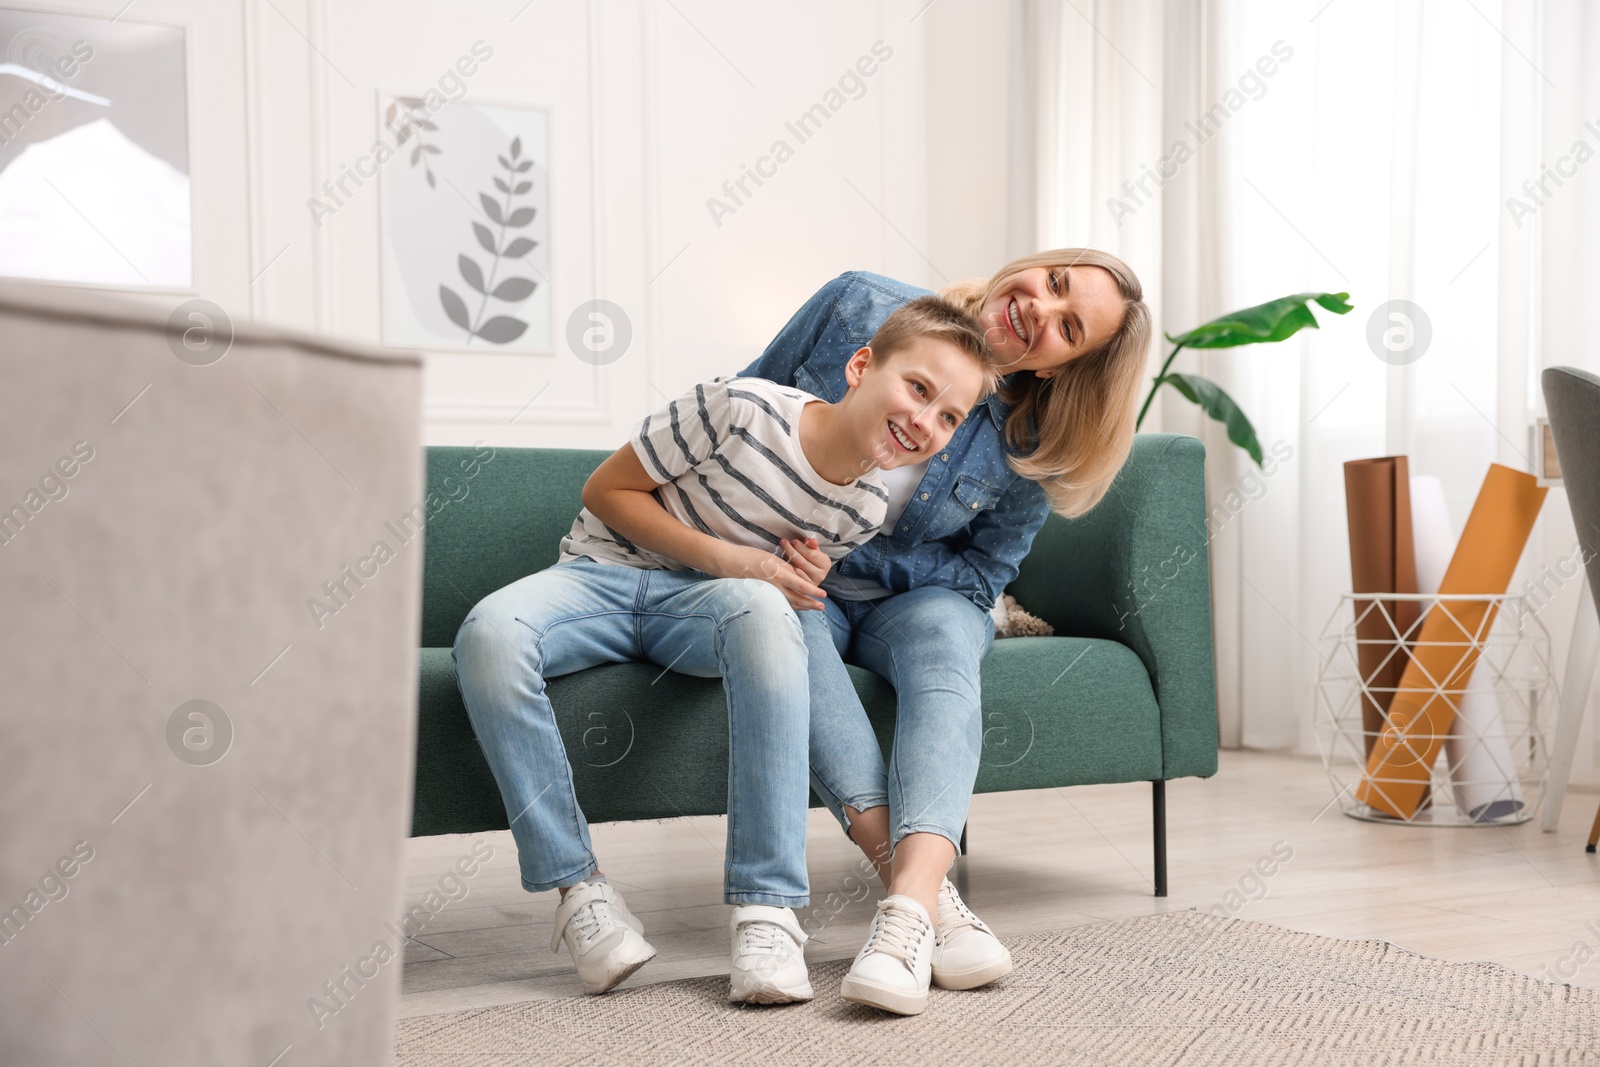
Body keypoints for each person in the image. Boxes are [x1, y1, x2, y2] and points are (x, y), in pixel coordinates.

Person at [451, 296, 1000, 1005]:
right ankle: (581, 893)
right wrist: (738, 560)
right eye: (918, 388)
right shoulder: (739, 407)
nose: (924, 420)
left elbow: (769, 589)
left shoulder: (862, 508)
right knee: (490, 633)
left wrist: (799, 575)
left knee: (775, 613)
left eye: (948, 416)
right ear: (861, 365)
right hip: (601, 577)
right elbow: (607, 488)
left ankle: (767, 912)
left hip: (702, 612)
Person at [738, 250, 1152, 1015]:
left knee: (947, 644)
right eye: (1053, 282)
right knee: (792, 629)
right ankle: (929, 904)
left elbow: (981, 575)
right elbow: (744, 408)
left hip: (917, 598)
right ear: (1035, 264)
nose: (1040, 309)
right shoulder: (860, 306)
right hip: (794, 577)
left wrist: (855, 557)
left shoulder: (1032, 431)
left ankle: (901, 917)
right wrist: (772, 552)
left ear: (1065, 366)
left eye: (1069, 327)